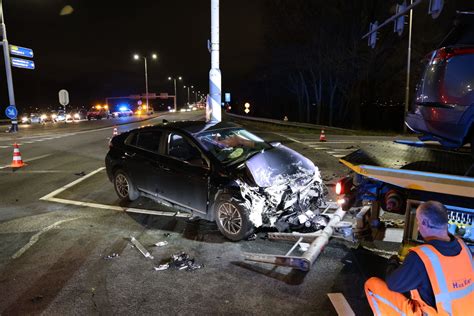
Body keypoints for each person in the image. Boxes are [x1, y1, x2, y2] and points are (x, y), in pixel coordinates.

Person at [365, 201, 474, 315]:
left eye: (418, 222)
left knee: (372, 284)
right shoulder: (463, 247)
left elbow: (394, 285)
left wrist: (392, 264)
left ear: (425, 223)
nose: (418, 229)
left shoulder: (422, 257)